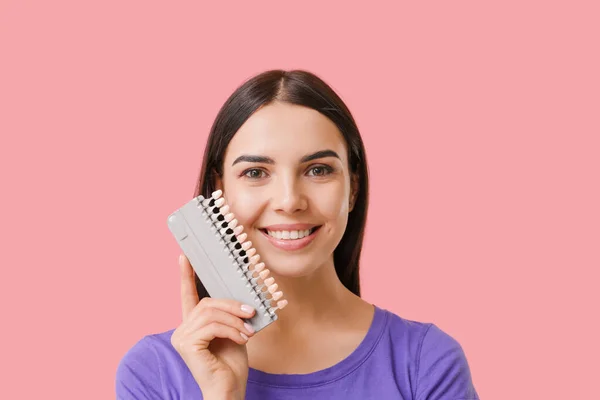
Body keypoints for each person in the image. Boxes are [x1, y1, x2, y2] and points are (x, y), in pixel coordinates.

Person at [115, 69, 479, 399]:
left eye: (318, 170)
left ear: (352, 188)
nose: (289, 201)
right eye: (256, 173)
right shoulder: (154, 373)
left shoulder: (425, 362)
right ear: (219, 189)